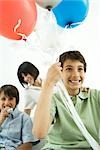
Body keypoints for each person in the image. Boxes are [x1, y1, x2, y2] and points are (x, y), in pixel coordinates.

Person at [33, 50, 100, 150]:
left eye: (80, 69)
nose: (76, 75)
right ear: (60, 73)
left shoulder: (94, 96)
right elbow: (39, 133)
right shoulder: (54, 99)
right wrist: (48, 83)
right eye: (69, 69)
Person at [0, 84, 34, 150]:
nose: (6, 103)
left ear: (16, 101)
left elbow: (28, 145)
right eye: (3, 99)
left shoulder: (24, 118)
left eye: (11, 99)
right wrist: (1, 119)